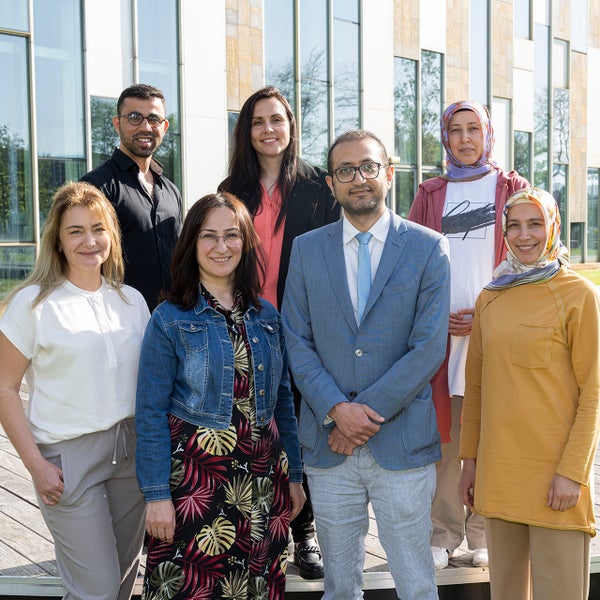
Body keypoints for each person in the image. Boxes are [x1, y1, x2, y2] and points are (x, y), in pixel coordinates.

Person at [282, 129, 450, 600]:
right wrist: (336, 408)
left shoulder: (428, 248)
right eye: (345, 170)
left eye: (369, 167)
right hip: (328, 447)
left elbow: (428, 348)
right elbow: (297, 340)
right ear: (331, 183)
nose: (359, 179)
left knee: (416, 582)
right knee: (339, 586)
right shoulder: (307, 249)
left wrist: (359, 415)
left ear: (389, 174)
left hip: (402, 444)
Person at [135, 192, 306, 600]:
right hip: (196, 484)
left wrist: (295, 477)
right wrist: (157, 495)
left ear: (246, 243)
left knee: (256, 588)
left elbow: (283, 403)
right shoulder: (170, 318)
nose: (221, 246)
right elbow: (150, 412)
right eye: (209, 236)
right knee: (192, 589)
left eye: (231, 235)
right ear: (192, 243)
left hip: (263, 480)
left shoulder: (267, 316)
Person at [0, 181, 150, 600]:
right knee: (95, 589)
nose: (89, 241)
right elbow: (4, 388)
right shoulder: (32, 303)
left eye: (98, 228)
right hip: (67, 460)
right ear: (58, 241)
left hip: (129, 453)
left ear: (112, 236)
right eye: (76, 231)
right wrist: (35, 465)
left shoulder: (132, 301)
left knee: (120, 583)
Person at [219, 85, 340, 579]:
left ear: (291, 127)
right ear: (246, 132)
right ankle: (248, 525)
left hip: (304, 329)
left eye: (277, 120)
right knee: (249, 428)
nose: (269, 130)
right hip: (245, 327)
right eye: (258, 122)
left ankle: (304, 533)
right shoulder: (231, 189)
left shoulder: (317, 187)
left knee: (302, 433)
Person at [458, 187, 600, 600]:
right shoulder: (491, 296)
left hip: (556, 480)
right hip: (499, 476)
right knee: (507, 593)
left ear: (553, 227)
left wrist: (572, 472)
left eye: (535, 224)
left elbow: (593, 393)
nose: (524, 236)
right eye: (514, 225)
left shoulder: (579, 295)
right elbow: (478, 387)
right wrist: (470, 463)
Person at [408, 99, 529, 570]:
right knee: (446, 441)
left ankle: (484, 531)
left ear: (488, 134)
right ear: (445, 137)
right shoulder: (430, 193)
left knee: (491, 439)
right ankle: (443, 534)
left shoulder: (512, 188)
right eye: (455, 130)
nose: (464, 138)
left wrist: (486, 313)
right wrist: (436, 317)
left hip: (493, 336)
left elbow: (527, 258)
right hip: (441, 340)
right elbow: (412, 261)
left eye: (472, 128)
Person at [81, 83, 183, 311]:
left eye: (154, 119)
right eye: (135, 117)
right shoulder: (94, 187)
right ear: (118, 124)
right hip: (117, 320)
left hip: (170, 322)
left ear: (164, 127)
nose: (145, 127)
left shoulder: (171, 191)